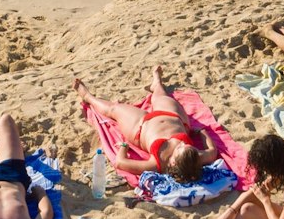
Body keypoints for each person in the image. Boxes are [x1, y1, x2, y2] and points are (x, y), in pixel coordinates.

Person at [73, 66, 212, 182]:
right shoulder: (194, 157)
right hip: (173, 116)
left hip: (141, 127)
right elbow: (212, 151)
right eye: (185, 144)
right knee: (160, 97)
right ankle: (156, 83)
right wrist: (201, 132)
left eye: (181, 147)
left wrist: (123, 148)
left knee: (114, 109)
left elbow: (121, 163)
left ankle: (87, 97)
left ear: (173, 162)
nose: (182, 143)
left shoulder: (156, 164)